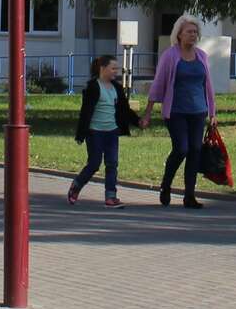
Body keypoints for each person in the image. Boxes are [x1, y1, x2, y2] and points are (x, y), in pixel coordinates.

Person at [141, 14, 216, 209]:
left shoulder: (202, 56)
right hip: (176, 111)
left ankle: (189, 196)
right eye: (189, 32)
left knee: (195, 151)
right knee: (181, 149)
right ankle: (166, 185)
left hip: (198, 111)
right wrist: (148, 113)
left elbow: (207, 86)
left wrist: (212, 113)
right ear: (179, 35)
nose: (193, 35)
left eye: (195, 32)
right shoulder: (170, 56)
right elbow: (158, 85)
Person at [70, 55, 139, 208]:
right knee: (94, 163)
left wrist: (138, 121)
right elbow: (85, 112)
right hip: (95, 132)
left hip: (112, 132)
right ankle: (76, 185)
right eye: (113, 68)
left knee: (112, 163)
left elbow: (124, 110)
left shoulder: (117, 87)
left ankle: (110, 197)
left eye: (117, 69)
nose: (116, 72)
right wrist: (81, 134)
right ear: (102, 68)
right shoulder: (93, 87)